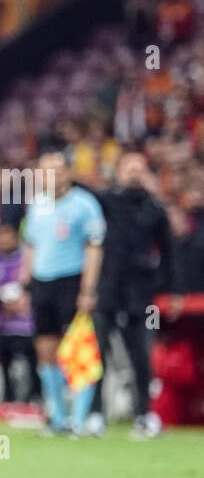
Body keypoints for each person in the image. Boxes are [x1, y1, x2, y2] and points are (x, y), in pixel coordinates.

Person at [89, 151, 177, 438]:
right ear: (119, 171)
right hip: (107, 292)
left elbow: (169, 251)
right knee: (98, 355)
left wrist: (169, 288)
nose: (134, 173)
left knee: (141, 357)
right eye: (129, 167)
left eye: (140, 168)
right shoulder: (106, 202)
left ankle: (144, 415)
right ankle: (95, 414)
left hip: (142, 297)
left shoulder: (155, 209)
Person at [18, 151, 106, 435]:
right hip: (43, 283)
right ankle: (56, 417)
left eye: (55, 170)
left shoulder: (84, 204)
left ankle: (79, 420)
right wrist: (24, 283)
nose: (49, 177)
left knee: (78, 350)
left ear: (68, 173)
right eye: (44, 171)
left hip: (71, 280)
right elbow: (31, 245)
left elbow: (94, 247)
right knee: (45, 350)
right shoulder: (36, 205)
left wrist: (88, 290)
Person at [0, 223, 37, 403]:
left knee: (32, 358)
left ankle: (34, 396)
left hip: (26, 320)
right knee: (3, 360)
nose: (4, 240)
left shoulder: (27, 258)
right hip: (1, 320)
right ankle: (7, 396)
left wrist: (24, 298)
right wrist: (2, 303)